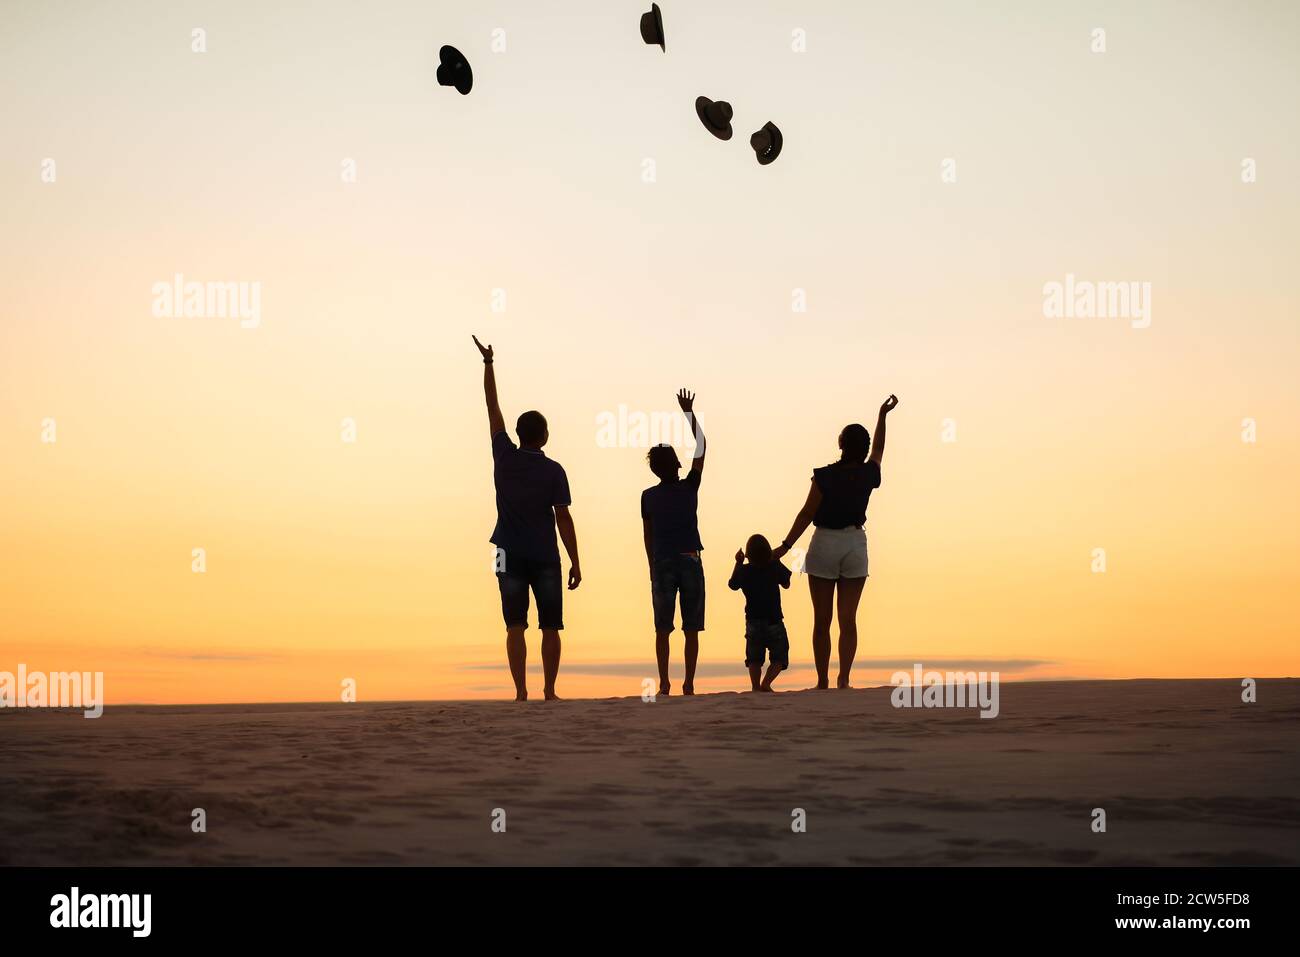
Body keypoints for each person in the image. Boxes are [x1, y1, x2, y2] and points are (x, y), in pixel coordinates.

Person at [473, 335, 581, 701]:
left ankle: (521, 692)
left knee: (514, 625)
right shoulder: (554, 470)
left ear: (519, 434)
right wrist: (576, 561)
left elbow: (492, 408)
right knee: (550, 627)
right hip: (545, 555)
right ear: (545, 435)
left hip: (506, 551)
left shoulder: (504, 455)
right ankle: (549, 691)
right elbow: (563, 518)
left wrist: (489, 365)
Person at [773, 395, 898, 689]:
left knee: (822, 620)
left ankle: (822, 680)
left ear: (840, 444)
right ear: (863, 449)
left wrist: (786, 546)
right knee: (848, 619)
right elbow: (879, 449)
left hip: (825, 543)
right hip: (855, 543)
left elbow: (806, 513)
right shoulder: (868, 473)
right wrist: (882, 415)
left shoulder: (824, 476)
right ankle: (844, 678)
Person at [641, 389, 706, 696]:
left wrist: (652, 566)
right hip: (690, 558)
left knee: (663, 628)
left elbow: (648, 536)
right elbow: (703, 446)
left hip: (664, 561)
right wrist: (688, 413)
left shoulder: (648, 496)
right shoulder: (689, 486)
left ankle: (665, 682)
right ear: (677, 465)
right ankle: (688, 682)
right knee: (691, 626)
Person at [728, 534, 792, 692]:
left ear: (748, 555)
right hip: (774, 620)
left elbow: (733, 585)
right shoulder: (774, 566)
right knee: (779, 656)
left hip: (753, 621)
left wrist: (738, 563)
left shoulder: (744, 571)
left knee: (754, 658)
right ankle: (767, 682)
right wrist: (776, 559)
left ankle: (756, 686)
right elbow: (786, 584)